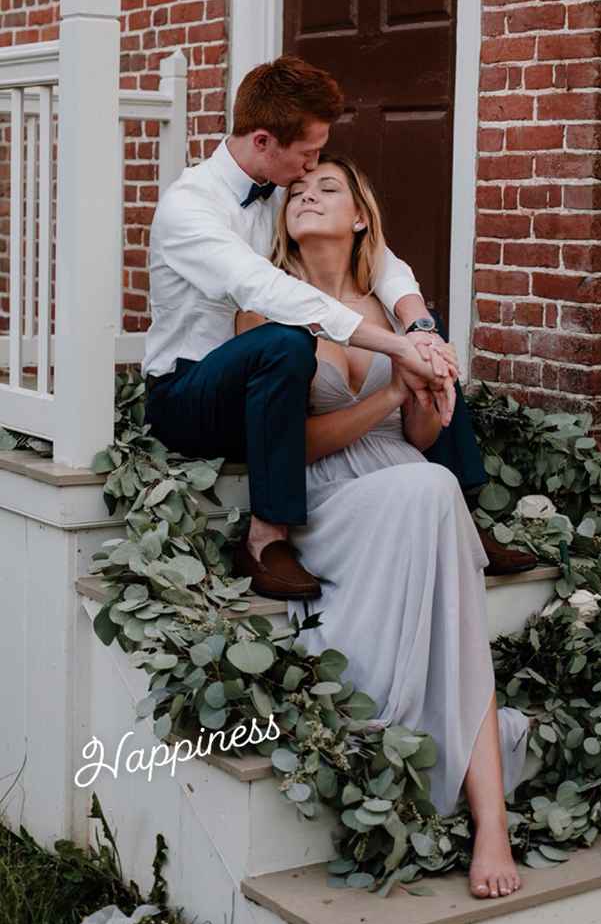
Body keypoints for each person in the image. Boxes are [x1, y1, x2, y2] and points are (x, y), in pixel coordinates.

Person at [259, 154, 528, 900]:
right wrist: (387, 398)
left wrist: (427, 394)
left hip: (406, 484)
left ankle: (491, 824)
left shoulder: (388, 300)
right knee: (432, 489)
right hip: (324, 494)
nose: (307, 194)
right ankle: (489, 809)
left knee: (431, 484)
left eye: (327, 188)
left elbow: (414, 439)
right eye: (296, 191)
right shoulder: (264, 307)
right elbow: (286, 448)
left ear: (361, 217)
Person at [143, 56, 466, 600]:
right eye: (309, 152)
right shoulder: (190, 207)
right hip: (190, 396)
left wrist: (420, 330)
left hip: (267, 396)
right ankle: (266, 536)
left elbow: (382, 263)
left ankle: (466, 507)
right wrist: (396, 346)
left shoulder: (280, 187)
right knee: (286, 340)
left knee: (427, 346)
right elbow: (265, 290)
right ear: (265, 141)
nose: (314, 165)